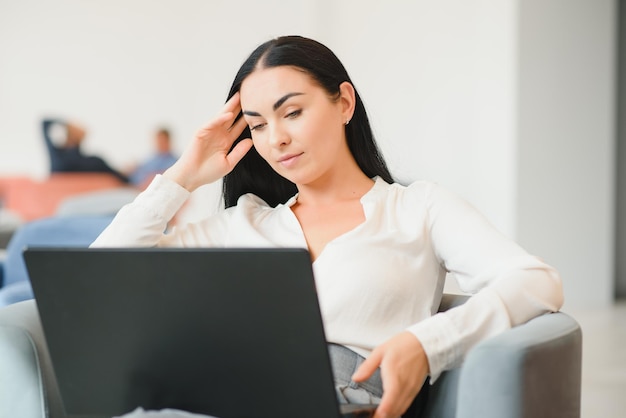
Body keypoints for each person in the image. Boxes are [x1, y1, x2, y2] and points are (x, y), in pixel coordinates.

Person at [92, 36, 563, 418]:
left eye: (292, 112)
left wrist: (427, 343)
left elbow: (536, 281)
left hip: (344, 397)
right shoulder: (245, 223)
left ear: (343, 102)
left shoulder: (417, 208)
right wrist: (182, 176)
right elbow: (99, 279)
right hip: (223, 395)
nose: (275, 139)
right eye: (256, 126)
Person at [42, 118, 129, 183]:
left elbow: (45, 123)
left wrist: (67, 125)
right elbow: (121, 178)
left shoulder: (59, 162)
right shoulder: (94, 161)